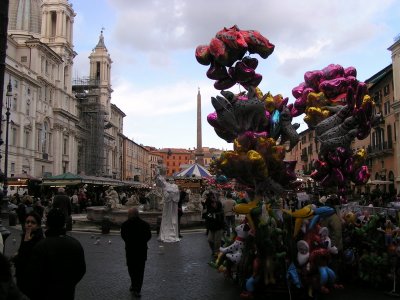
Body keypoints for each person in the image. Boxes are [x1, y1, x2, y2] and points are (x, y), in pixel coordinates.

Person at [24, 208, 86, 300]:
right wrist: (69, 283)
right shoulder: (75, 244)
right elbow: (81, 269)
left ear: (47, 224)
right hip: (67, 293)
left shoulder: (41, 246)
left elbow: (32, 273)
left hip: (44, 293)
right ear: (64, 224)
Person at [121, 207, 152, 298]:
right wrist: (142, 242)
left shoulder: (125, 224)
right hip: (141, 251)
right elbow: (148, 236)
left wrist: (130, 242)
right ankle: (137, 288)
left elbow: (123, 236)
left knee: (131, 269)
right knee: (140, 270)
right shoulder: (145, 224)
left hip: (130, 250)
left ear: (130, 215)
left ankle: (134, 285)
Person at [14, 212, 44, 296]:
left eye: (33, 222)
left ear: (38, 225)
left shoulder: (39, 240)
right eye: (27, 222)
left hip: (33, 281)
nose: (29, 224)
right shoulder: (26, 236)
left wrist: (26, 241)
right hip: (22, 279)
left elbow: (25, 257)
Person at [155, 169, 180, 242]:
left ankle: (171, 234)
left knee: (173, 219)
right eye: (170, 180)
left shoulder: (175, 186)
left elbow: (176, 193)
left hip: (173, 205)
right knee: (167, 217)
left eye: (173, 180)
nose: (172, 181)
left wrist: (171, 192)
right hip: (168, 204)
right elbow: (161, 182)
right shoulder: (166, 185)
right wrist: (158, 175)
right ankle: (166, 234)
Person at [204, 192, 225, 257]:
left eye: (214, 197)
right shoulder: (208, 204)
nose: (213, 198)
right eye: (211, 197)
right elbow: (206, 213)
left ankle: (217, 252)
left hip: (219, 226)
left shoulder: (219, 203)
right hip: (211, 226)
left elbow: (221, 213)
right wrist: (211, 215)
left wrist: (215, 214)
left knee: (217, 241)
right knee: (209, 240)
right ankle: (214, 250)